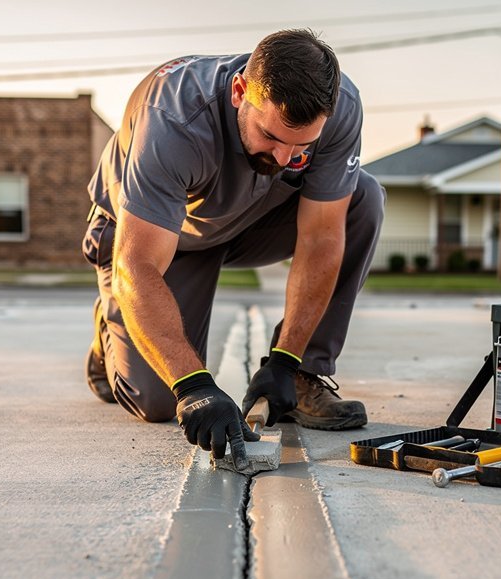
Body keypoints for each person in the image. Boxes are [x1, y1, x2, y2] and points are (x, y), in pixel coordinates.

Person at [82, 28, 385, 472]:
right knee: (160, 401)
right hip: (161, 238)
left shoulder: (342, 107)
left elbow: (322, 237)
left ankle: (301, 376)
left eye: (302, 146)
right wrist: (193, 386)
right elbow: (140, 264)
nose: (285, 158)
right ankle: (110, 340)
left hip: (250, 217)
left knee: (363, 198)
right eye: (271, 136)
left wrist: (285, 357)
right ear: (240, 91)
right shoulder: (173, 117)